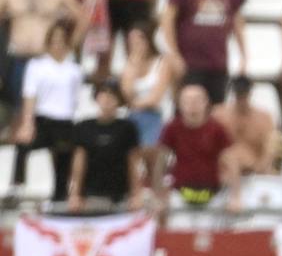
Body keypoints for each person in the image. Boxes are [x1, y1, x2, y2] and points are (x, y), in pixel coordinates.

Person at [11, 19, 83, 202]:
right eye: (54, 40)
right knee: (23, 145)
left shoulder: (73, 69)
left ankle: (60, 195)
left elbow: (75, 98)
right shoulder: (37, 66)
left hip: (64, 120)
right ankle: (18, 185)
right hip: (43, 119)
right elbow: (30, 95)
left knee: (63, 155)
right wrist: (28, 124)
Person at [154, 81, 241, 212]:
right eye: (187, 101)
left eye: (196, 100)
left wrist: (236, 196)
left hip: (212, 196)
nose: (192, 105)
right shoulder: (171, 128)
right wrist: (159, 195)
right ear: (179, 104)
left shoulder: (217, 129)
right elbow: (160, 162)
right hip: (180, 195)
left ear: (206, 102)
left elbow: (232, 162)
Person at [0, 0, 85, 118]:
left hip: (45, 60)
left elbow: (82, 19)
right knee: (15, 110)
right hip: (17, 59)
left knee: (45, 110)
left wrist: (69, 47)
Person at [67, 78, 142, 210]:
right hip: (92, 194)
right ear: (96, 98)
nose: (107, 99)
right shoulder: (84, 127)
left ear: (119, 100)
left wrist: (136, 194)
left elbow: (133, 161)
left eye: (112, 95)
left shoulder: (127, 128)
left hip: (121, 194)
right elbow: (79, 162)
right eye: (103, 94)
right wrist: (75, 194)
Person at [160, 0, 247, 105]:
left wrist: (243, 56)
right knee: (189, 108)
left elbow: (236, 20)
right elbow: (167, 20)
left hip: (218, 63)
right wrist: (174, 54)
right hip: (189, 63)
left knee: (216, 109)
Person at [120, 21, 172, 183]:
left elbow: (156, 96)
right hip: (134, 116)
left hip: (155, 115)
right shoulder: (130, 63)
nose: (135, 44)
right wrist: (134, 64)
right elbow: (127, 93)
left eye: (139, 39)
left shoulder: (161, 63)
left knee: (152, 157)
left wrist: (136, 103)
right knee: (131, 156)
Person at [213, 75, 279, 177]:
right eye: (238, 95)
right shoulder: (218, 115)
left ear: (249, 93)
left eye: (243, 95)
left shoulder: (264, 118)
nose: (241, 99)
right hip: (225, 172)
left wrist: (259, 167)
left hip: (255, 171)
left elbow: (270, 149)